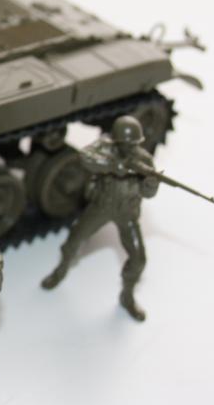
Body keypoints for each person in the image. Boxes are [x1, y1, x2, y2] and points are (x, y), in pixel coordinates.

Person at [41, 115, 159, 321]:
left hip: (127, 213)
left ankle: (127, 296)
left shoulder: (144, 160)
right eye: (124, 144)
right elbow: (85, 157)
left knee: (138, 259)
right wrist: (114, 166)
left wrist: (150, 183)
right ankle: (60, 271)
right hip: (101, 207)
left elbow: (148, 193)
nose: (128, 148)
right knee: (73, 241)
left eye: (132, 144)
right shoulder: (105, 148)